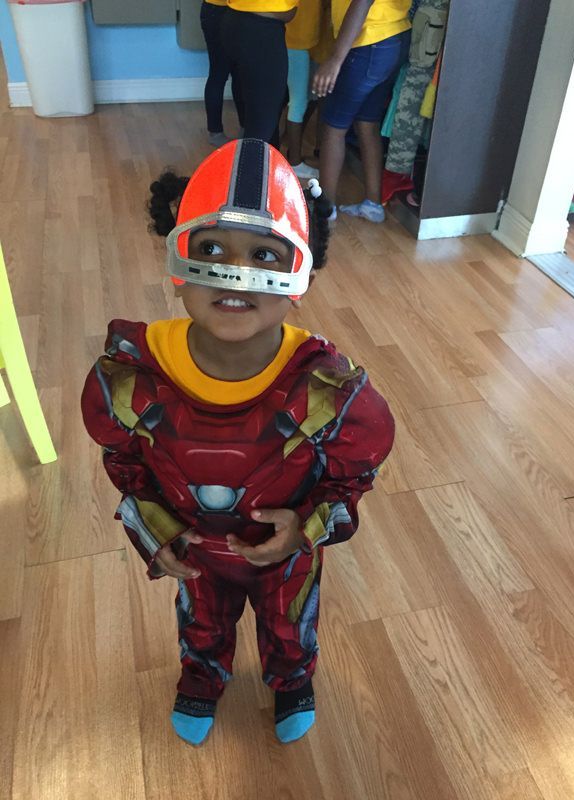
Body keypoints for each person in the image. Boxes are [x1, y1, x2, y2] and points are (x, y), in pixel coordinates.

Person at [81, 139, 395, 747]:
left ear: (299, 271)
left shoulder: (332, 390)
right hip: (195, 543)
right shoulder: (129, 377)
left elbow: (355, 473)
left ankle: (291, 682)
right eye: (212, 249)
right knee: (199, 620)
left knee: (291, 624)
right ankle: (201, 678)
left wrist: (306, 526)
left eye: (264, 255)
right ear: (178, 258)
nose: (236, 273)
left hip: (287, 551)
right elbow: (122, 459)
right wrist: (152, 531)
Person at [313, 0, 412, 222]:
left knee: (333, 127)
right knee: (367, 123)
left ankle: (324, 209)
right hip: (394, 35)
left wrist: (335, 60)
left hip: (369, 40)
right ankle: (373, 204)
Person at [221, 0, 297, 145]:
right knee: (261, 126)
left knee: (264, 117)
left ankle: (264, 165)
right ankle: (250, 165)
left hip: (242, 22)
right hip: (260, 29)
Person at [285, 0, 321, 179]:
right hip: (295, 40)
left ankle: (290, 148)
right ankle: (294, 162)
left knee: (306, 98)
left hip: (307, 38)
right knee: (298, 101)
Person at [200, 0, 243, 147]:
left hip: (229, 11)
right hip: (221, 11)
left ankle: (244, 128)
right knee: (220, 73)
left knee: (238, 74)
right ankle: (216, 132)